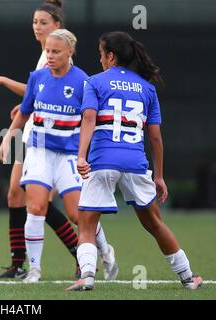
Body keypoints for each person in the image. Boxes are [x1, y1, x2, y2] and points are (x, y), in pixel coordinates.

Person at [66, 31, 203, 291]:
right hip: (135, 163)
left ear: (111, 56)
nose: (101, 60)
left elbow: (89, 120)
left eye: (101, 55)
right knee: (154, 223)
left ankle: (86, 276)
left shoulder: (94, 82)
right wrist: (159, 176)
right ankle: (188, 277)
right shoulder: (147, 88)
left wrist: (81, 156)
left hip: (103, 161)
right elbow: (155, 138)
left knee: (87, 223)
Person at [0, 28, 116, 283]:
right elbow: (24, 112)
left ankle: (105, 250)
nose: (49, 55)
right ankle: (35, 270)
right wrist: (7, 139)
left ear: (69, 52)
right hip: (39, 151)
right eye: (47, 51)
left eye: (55, 51)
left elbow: (90, 120)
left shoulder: (83, 82)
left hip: (69, 155)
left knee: (78, 215)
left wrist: (87, 153)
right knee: (36, 207)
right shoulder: (37, 77)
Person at [0, 0, 85, 280]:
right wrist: (27, 106)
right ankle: (20, 264)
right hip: (34, 133)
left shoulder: (58, 54)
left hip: (51, 140)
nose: (37, 27)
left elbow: (42, 89)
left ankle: (81, 251)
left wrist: (3, 81)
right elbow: (39, 92)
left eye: (43, 23)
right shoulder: (45, 54)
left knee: (35, 202)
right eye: (35, 22)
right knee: (17, 195)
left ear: (57, 27)